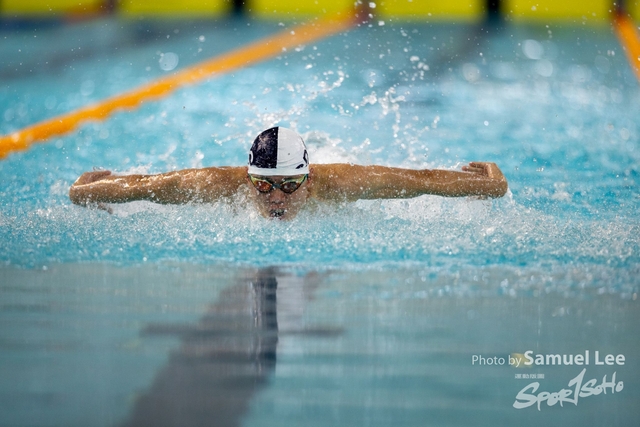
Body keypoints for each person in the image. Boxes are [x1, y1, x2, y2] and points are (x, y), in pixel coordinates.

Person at [69, 127, 508, 220]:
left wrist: (491, 182)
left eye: (289, 185)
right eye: (263, 185)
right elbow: (144, 186)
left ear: (308, 179)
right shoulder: (213, 185)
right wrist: (87, 189)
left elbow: (422, 181)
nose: (275, 198)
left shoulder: (344, 183)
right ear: (248, 179)